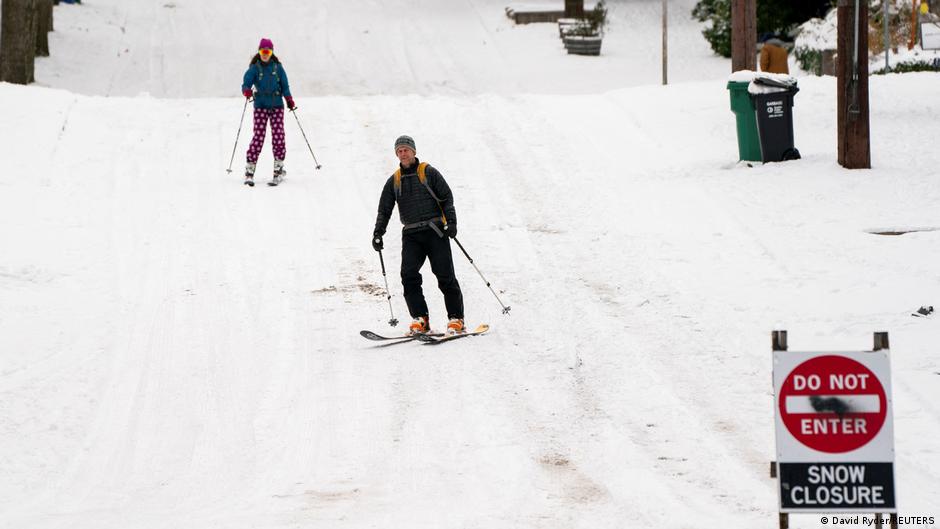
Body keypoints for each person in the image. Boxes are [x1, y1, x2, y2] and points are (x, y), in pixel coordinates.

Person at [372, 135, 465, 335]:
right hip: (411, 233)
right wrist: (378, 232)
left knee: (445, 275)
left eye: (406, 149)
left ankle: (456, 318)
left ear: (414, 151)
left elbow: (447, 198)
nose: (403, 153)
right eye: (399, 151)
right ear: (396, 154)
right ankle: (420, 319)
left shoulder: (429, 173)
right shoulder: (394, 181)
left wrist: (452, 223)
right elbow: (384, 209)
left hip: (435, 231)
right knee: (408, 275)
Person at [241, 38, 295, 186]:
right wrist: (246, 90)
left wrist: (289, 99)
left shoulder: (277, 68)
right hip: (260, 106)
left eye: (268, 51)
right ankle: (249, 170)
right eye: (263, 51)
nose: (265, 54)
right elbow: (246, 82)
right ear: (259, 51)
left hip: (277, 106)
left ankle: (278, 169)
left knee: (278, 135)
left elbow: (285, 85)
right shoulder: (255, 68)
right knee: (258, 136)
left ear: (271, 52)